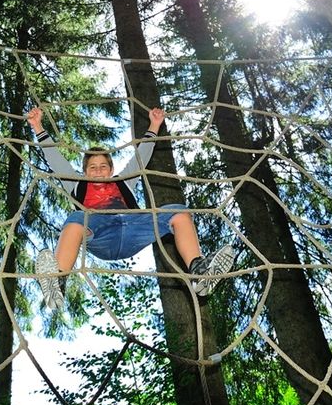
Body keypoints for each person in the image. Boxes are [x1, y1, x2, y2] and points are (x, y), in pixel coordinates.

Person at [27, 106, 234, 309]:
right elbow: (55, 160)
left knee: (179, 211)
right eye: (92, 167)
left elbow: (140, 158)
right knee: (76, 218)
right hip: (101, 233)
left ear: (111, 170)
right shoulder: (76, 184)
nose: (98, 171)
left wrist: (154, 125)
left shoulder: (124, 181)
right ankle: (57, 279)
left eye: (103, 167)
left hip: (133, 227)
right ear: (84, 171)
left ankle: (199, 271)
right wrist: (37, 126)